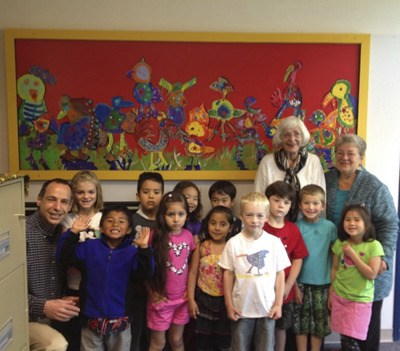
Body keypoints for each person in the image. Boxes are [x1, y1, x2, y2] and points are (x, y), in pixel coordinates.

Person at [325, 134, 399, 351]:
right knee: (346, 327)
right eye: (340, 153)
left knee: (367, 329)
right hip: (340, 263)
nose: (345, 158)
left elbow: (389, 224)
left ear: (361, 158)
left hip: (368, 263)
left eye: (351, 154)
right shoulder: (327, 179)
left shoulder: (374, 186)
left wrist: (384, 256)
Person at [59, 205, 154, 350]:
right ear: (101, 227)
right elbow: (64, 255)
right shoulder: (89, 247)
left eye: (121, 221)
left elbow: (146, 273)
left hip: (120, 319)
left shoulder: (132, 252)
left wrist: (144, 250)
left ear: (129, 229)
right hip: (91, 319)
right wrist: (73, 232)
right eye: (110, 221)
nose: (115, 224)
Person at [219, 192, 291, 351]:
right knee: (239, 347)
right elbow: (228, 275)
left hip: (267, 309)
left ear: (266, 216)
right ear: (241, 215)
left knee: (265, 347)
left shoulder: (274, 243)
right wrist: (229, 304)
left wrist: (278, 304)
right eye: (249, 215)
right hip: (241, 309)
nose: (254, 220)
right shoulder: (233, 243)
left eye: (259, 215)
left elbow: (280, 275)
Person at [26, 178, 80, 351]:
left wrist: (61, 299)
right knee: (56, 344)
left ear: (70, 206)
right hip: (20, 318)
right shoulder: (20, 234)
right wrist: (44, 306)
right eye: (51, 199)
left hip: (53, 319)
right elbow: (5, 292)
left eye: (64, 202)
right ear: (39, 199)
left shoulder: (66, 237)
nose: (57, 207)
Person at [328, 204, 384, 351]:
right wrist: (331, 292)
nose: (352, 223)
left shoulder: (374, 246)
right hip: (340, 297)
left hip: (359, 300)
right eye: (348, 219)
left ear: (366, 223)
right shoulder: (340, 243)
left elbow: (372, 273)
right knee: (345, 338)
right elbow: (334, 268)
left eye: (357, 219)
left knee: (354, 340)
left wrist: (352, 255)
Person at [146, 191, 196, 351]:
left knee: (177, 340)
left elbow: (191, 268)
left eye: (180, 214)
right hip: (161, 300)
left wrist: (190, 294)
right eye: (171, 214)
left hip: (182, 300)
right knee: (158, 343)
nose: (176, 219)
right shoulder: (154, 236)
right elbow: (144, 269)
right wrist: (152, 293)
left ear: (187, 215)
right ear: (162, 215)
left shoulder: (189, 236)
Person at [60, 170, 104, 349]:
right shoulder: (68, 219)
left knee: (94, 335)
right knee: (75, 335)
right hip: (73, 287)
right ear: (74, 194)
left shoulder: (104, 219)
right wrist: (74, 231)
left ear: (97, 193)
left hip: (97, 287)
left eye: (91, 192)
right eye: (80, 192)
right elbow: (64, 252)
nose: (86, 196)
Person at [263, 181, 308, 351]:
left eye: (286, 202)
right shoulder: (260, 226)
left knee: (281, 328)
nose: (281, 205)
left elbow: (297, 258)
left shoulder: (292, 229)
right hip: (262, 290)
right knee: (264, 328)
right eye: (276, 200)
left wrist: (289, 285)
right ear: (267, 201)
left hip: (284, 292)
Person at [254, 116, 326, 221]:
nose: (292, 139)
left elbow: (321, 197)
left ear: (303, 137)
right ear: (280, 138)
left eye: (297, 134)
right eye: (286, 134)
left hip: (306, 223)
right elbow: (258, 197)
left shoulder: (313, 161)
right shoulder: (267, 162)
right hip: (273, 222)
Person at [294, 184, 337, 351]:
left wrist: (333, 287)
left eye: (315, 203)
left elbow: (334, 258)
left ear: (323, 206)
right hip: (301, 284)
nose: (311, 207)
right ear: (299, 205)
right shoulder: (296, 227)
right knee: (300, 323)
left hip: (323, 284)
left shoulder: (330, 227)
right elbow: (291, 259)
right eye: (306, 203)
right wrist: (295, 286)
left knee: (319, 323)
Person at [187, 206, 234, 351]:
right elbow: (193, 273)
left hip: (226, 301)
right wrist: (190, 299)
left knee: (224, 340)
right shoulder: (202, 246)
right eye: (213, 223)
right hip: (203, 299)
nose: (217, 228)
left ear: (231, 227)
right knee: (202, 340)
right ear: (207, 224)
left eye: (223, 224)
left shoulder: (232, 247)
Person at [130, 171, 164, 351]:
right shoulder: (130, 220)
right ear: (138, 195)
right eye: (146, 191)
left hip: (161, 288)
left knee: (157, 335)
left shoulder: (168, 221)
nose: (151, 196)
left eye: (156, 192)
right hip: (137, 288)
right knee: (136, 333)